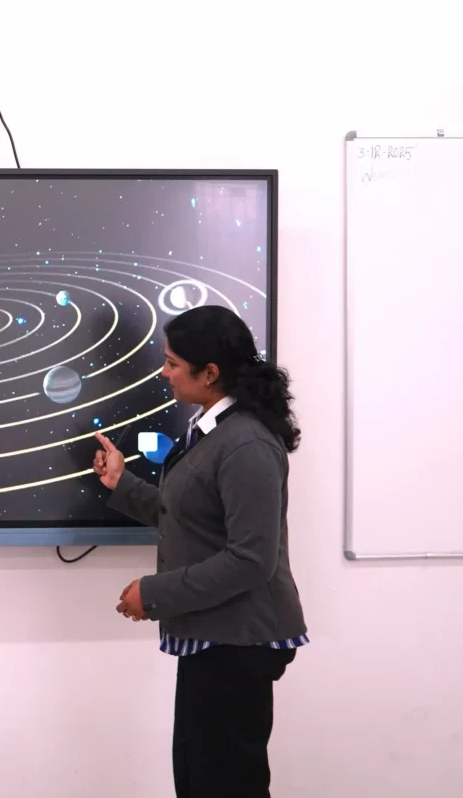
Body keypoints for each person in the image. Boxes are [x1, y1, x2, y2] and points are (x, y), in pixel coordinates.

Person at [92, 305, 307, 798]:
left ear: (209, 373)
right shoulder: (213, 429)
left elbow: (251, 560)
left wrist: (153, 594)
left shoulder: (247, 443)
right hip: (212, 637)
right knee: (198, 779)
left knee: (225, 783)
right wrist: (122, 484)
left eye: (172, 363)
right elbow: (189, 514)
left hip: (238, 642)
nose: (163, 373)